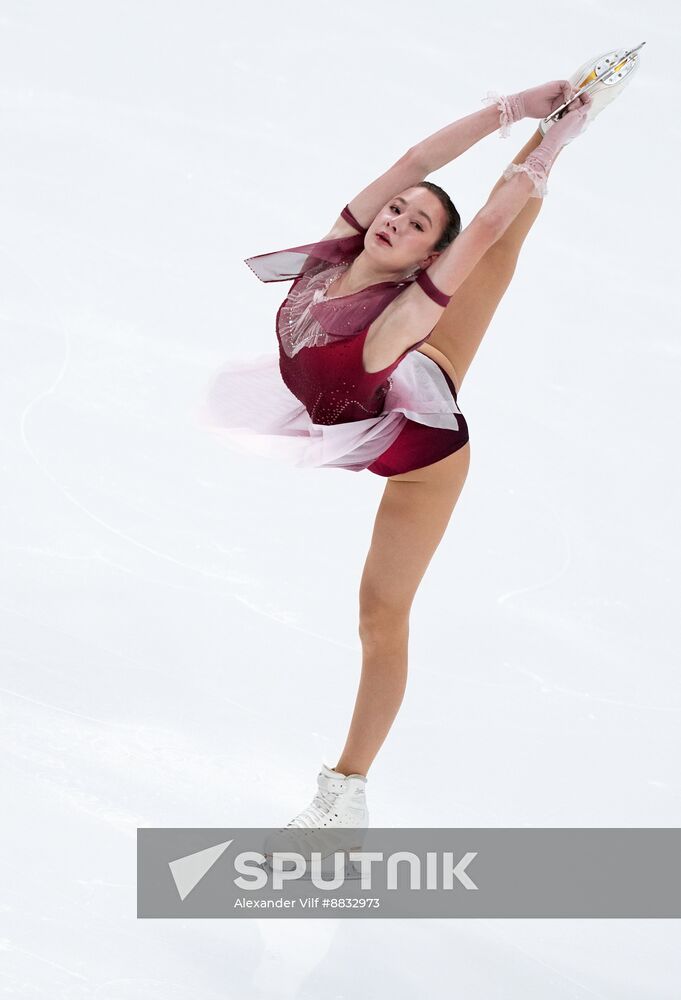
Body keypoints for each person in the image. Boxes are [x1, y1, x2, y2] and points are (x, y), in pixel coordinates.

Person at [198, 52, 640, 859]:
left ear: (420, 263)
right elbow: (415, 164)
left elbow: (487, 230)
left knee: (379, 616)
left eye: (415, 228)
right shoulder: (336, 249)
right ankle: (562, 113)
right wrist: (509, 107)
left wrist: (546, 152)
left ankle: (343, 796)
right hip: (371, 390)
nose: (395, 218)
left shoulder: (398, 320)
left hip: (421, 451)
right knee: (486, 249)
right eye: (393, 212)